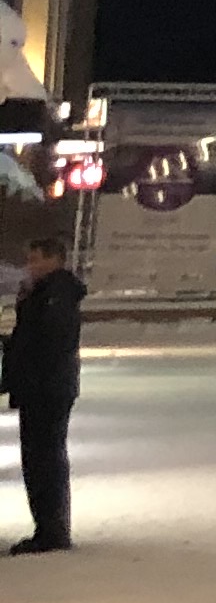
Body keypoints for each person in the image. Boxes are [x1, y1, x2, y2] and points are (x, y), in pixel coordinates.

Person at [6, 225, 82, 554]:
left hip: (46, 387)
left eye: (36, 259)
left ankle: (52, 531)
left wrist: (22, 362)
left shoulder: (55, 294)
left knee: (44, 459)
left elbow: (49, 340)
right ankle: (49, 527)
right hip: (41, 385)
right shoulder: (43, 292)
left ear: (55, 260)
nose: (30, 266)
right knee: (39, 458)